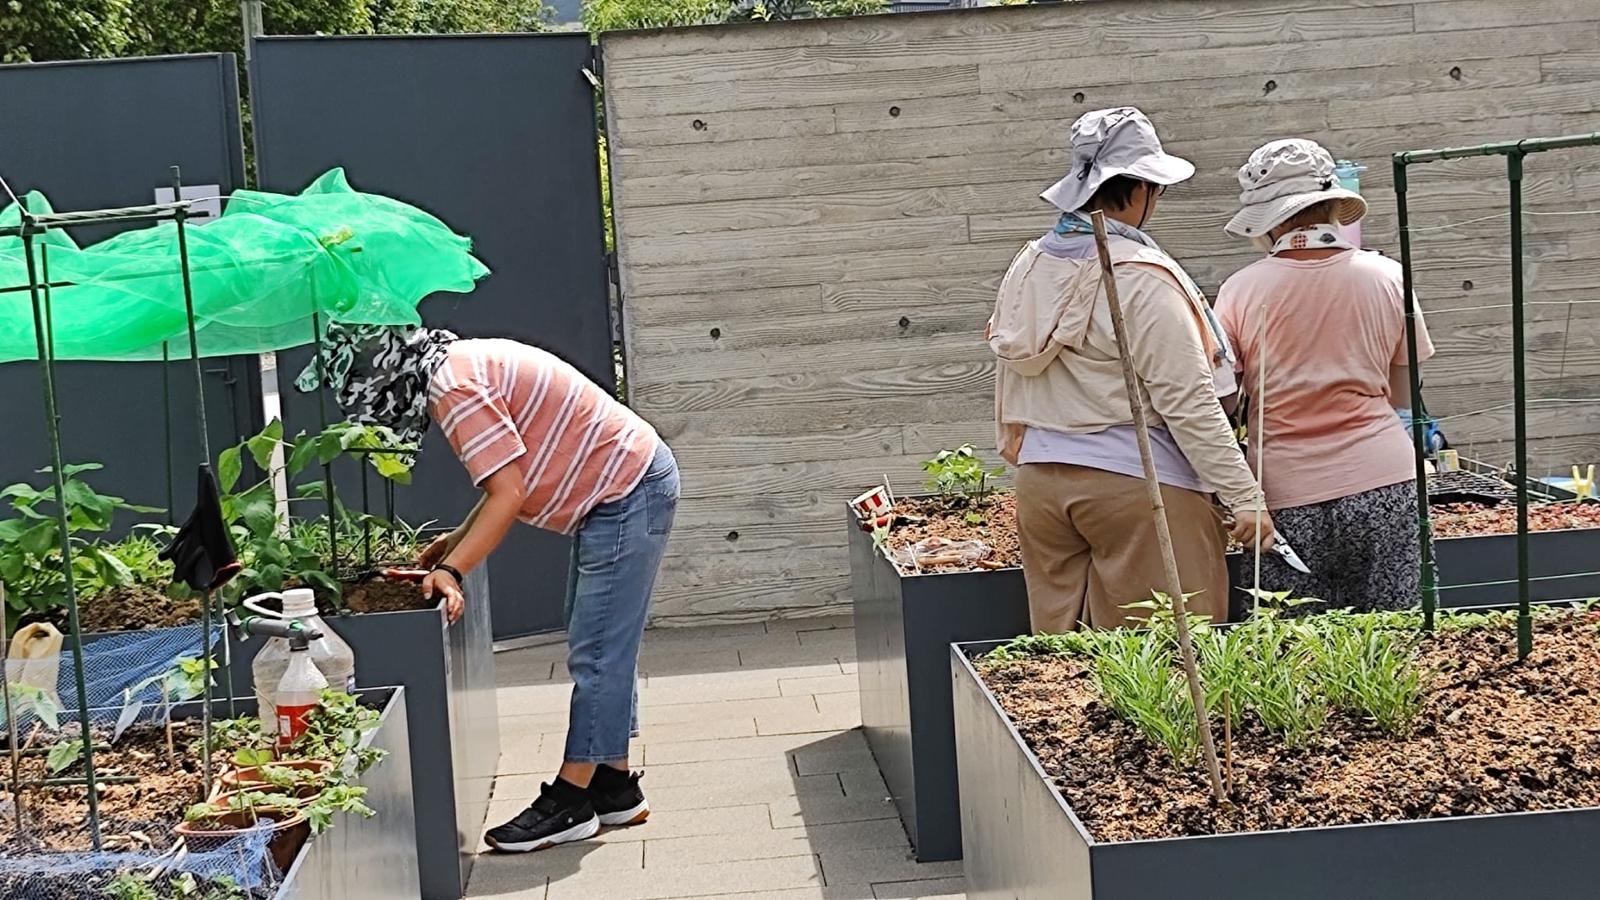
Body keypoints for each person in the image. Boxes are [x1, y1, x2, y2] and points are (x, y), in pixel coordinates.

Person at [296, 323, 678, 853]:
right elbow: (511, 473)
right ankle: (612, 786)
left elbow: (508, 492)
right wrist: (456, 541)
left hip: (626, 487)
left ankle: (571, 800)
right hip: (623, 484)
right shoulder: (456, 363)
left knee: (599, 652)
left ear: (386, 380)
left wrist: (453, 571)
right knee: (599, 641)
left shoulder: (453, 389)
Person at [987, 107, 1274, 633]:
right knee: (1170, 657)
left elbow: (1008, 374)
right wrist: (1244, 495)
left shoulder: (1028, 263)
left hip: (1041, 486)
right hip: (1138, 486)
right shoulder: (1142, 275)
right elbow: (1187, 402)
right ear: (1140, 188)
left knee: (1067, 667)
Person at [1216, 138, 1433, 611]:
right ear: (1334, 206)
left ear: (1264, 221)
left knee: (1292, 650)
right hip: (1386, 479)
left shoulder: (1238, 292)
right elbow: (1401, 395)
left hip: (1284, 495)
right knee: (1394, 640)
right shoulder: (1389, 277)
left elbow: (1225, 404)